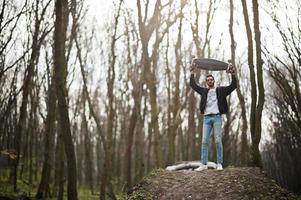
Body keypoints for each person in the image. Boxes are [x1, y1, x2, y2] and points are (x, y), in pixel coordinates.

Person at [190, 63, 237, 171]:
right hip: (206, 118)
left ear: (214, 81)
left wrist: (232, 74)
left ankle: (219, 163)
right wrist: (192, 72)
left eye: (211, 79)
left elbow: (233, 86)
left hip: (217, 118)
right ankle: (203, 164)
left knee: (217, 140)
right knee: (204, 141)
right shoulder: (204, 91)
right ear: (206, 82)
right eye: (208, 80)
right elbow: (193, 85)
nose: (210, 81)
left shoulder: (220, 91)